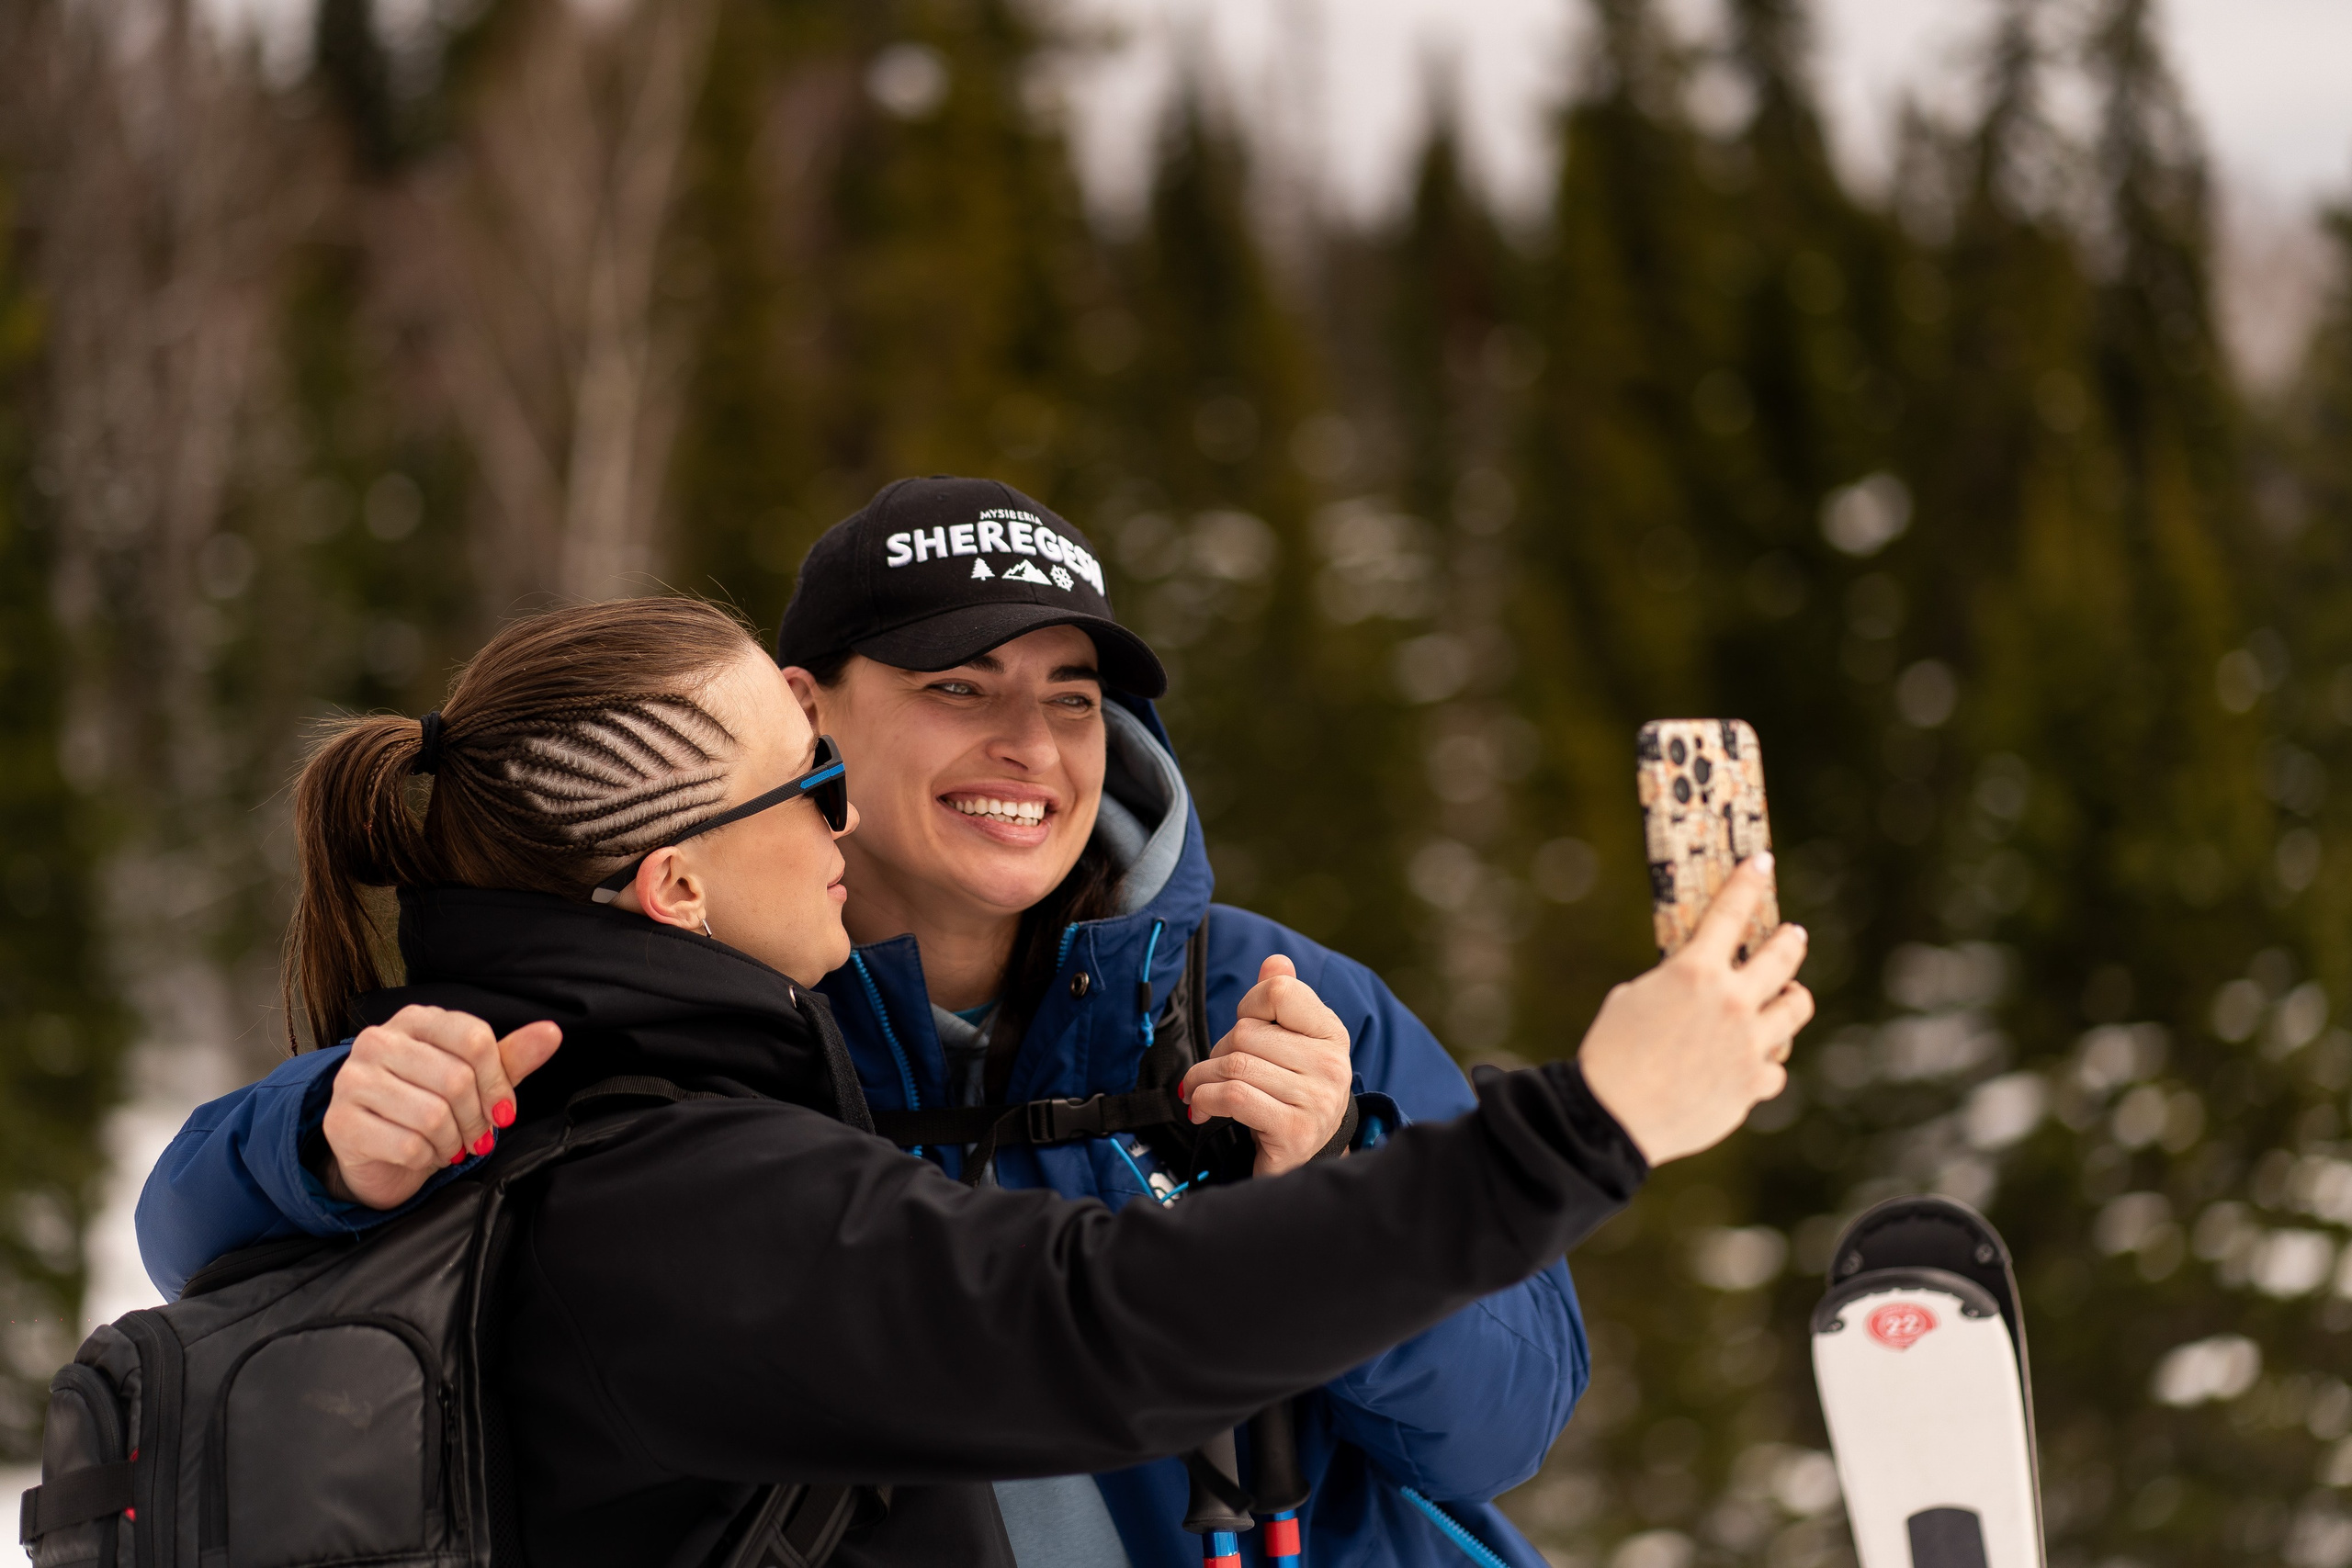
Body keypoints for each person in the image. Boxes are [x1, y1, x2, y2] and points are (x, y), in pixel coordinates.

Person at [136, 482, 1812, 1567]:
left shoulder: (1257, 991)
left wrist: (1333, 1168)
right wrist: (316, 1135)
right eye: (957, 688)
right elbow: (195, 1221)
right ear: (811, 716)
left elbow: (1510, 1417)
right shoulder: (703, 1052)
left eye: (1071, 700)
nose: (1030, 748)